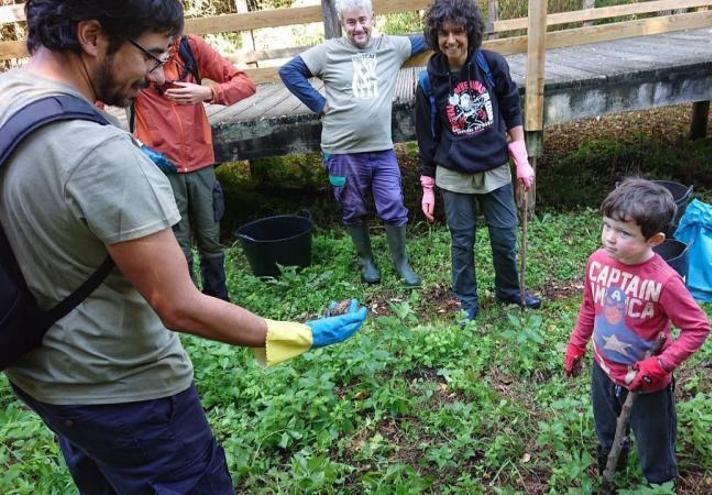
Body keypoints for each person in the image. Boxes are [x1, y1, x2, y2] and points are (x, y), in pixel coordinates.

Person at [0, 1, 366, 492]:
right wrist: (295, 333)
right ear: (91, 36)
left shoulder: (11, 98)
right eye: (150, 55)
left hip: (48, 384)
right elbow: (179, 305)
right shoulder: (97, 153)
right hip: (132, 399)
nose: (154, 75)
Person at [563, 179, 710, 486]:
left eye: (624, 233)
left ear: (654, 240)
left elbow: (697, 328)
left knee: (653, 441)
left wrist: (659, 366)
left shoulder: (664, 281)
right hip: (603, 368)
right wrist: (576, 346)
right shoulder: (597, 263)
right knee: (606, 428)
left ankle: (659, 483)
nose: (611, 239)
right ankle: (610, 465)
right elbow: (590, 307)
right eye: (607, 227)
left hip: (646, 382)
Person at [278, 0, 426, 287]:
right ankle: (367, 261)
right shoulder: (328, 52)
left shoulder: (392, 46)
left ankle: (401, 263)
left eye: (362, 20)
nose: (358, 27)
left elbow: (431, 38)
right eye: (350, 22)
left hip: (381, 149)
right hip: (342, 150)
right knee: (352, 207)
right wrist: (318, 103)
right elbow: (289, 72)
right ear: (342, 23)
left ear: (372, 18)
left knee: (393, 204)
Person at [415, 0, 539, 321]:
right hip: (453, 174)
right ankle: (466, 301)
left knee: (504, 235)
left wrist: (522, 159)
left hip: (495, 168)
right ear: (435, 36)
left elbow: (512, 110)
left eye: (458, 31)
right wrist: (428, 185)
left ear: (471, 31)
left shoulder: (493, 65)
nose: (451, 40)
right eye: (443, 33)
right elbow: (427, 136)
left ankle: (510, 292)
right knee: (462, 242)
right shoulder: (428, 81)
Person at [132, 33, 256, 301]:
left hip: (201, 163)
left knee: (211, 239)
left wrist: (209, 92)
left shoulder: (190, 47)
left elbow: (246, 84)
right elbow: (94, 100)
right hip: (162, 168)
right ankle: (187, 304)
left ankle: (218, 300)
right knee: (177, 245)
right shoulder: (132, 51)